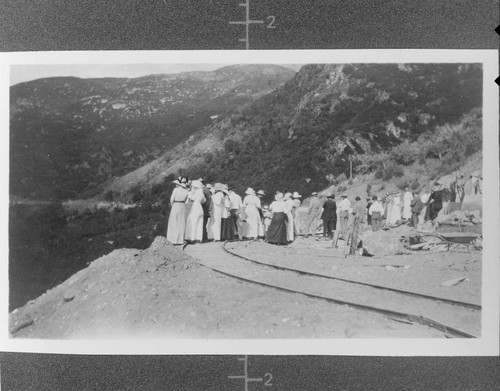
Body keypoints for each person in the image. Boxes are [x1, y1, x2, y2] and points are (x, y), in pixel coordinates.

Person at [166, 177, 189, 245]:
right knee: (181, 222)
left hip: (176, 205)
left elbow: (171, 199)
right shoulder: (186, 191)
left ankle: (173, 239)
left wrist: (172, 204)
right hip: (182, 205)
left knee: (174, 221)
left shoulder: (176, 190)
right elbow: (186, 201)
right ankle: (180, 240)